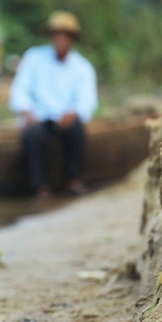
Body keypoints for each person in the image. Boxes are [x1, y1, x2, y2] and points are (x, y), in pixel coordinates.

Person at [9, 11, 98, 199]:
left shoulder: (83, 67)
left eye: (65, 35)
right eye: (56, 34)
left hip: (65, 119)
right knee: (34, 135)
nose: (60, 39)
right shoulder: (34, 58)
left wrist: (73, 114)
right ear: (50, 36)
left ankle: (72, 179)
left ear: (72, 38)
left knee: (76, 130)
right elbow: (20, 90)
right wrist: (27, 112)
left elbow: (86, 101)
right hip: (38, 117)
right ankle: (41, 186)